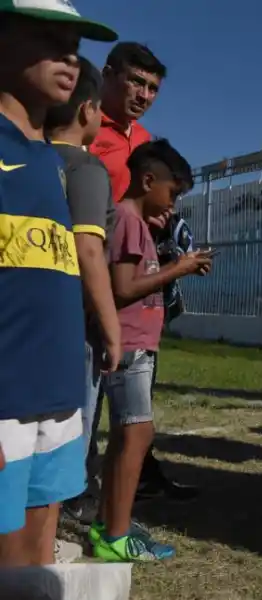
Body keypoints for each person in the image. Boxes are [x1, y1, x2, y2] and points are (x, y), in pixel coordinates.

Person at [0, 1, 118, 567]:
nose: (69, 55)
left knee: (39, 558)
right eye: (49, 37)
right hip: (6, 394)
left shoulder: (52, 160)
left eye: (75, 43)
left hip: (59, 390)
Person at [93, 139, 212, 562]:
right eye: (173, 193)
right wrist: (175, 268)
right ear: (148, 181)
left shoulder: (137, 223)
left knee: (129, 436)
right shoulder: (126, 220)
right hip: (128, 348)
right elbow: (122, 289)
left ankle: (108, 521)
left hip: (136, 346)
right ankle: (116, 535)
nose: (173, 203)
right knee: (137, 434)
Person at [45, 56, 122, 541]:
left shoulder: (28, 157)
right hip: (71, 324)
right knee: (65, 435)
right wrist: (111, 330)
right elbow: (89, 250)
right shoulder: (87, 169)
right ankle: (48, 531)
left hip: (26, 319)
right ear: (89, 110)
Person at [89, 42, 165, 203]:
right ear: (107, 75)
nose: (144, 96)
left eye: (152, 89)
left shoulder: (144, 138)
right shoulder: (79, 125)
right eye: (136, 82)